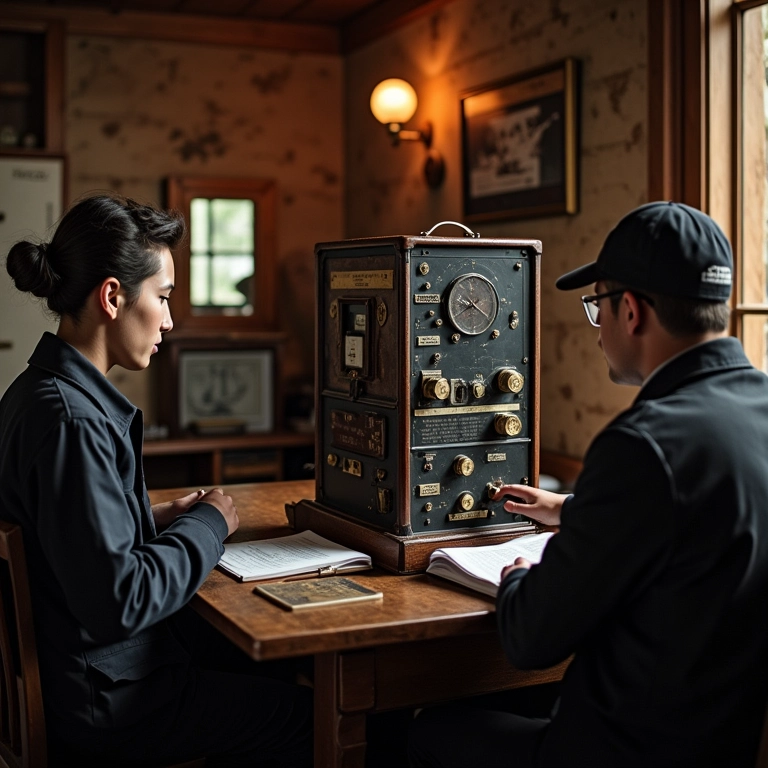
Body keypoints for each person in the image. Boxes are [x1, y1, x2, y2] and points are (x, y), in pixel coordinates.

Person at [408, 201, 768, 767]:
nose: (597, 329)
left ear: (630, 311)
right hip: (721, 744)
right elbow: (697, 516)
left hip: (608, 752)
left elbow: (531, 640)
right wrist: (575, 510)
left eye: (596, 306)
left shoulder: (641, 445)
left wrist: (520, 576)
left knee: (417, 731)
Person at [0, 194, 312, 767]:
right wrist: (210, 523)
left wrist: (148, 515)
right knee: (318, 719)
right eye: (163, 297)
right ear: (113, 297)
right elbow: (121, 600)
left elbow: (67, 536)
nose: (169, 319)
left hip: (86, 680)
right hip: (109, 706)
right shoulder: (72, 421)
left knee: (258, 663)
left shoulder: (35, 394)